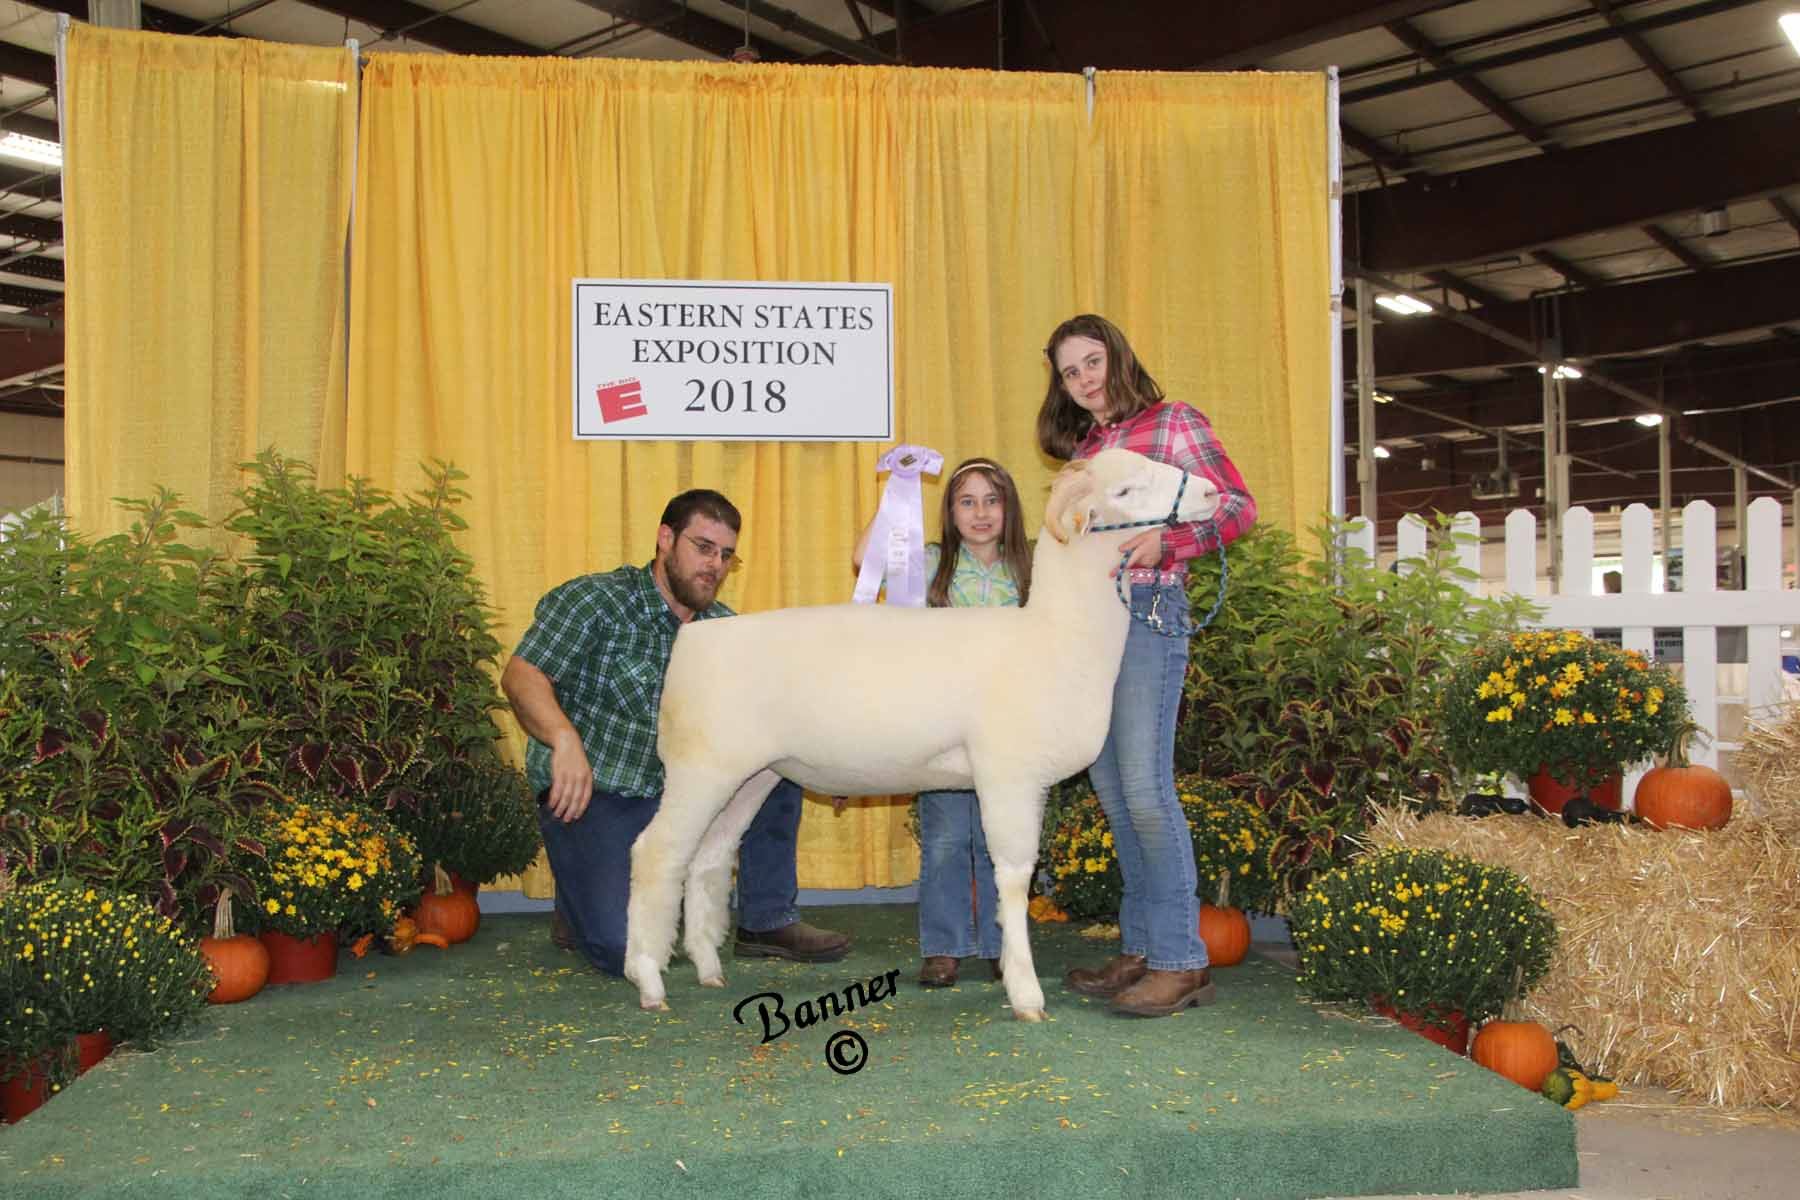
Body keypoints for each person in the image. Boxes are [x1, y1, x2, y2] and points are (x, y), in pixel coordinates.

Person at [500, 488, 851, 978]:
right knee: (621, 949)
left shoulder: (725, 631)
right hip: (598, 793)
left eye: (726, 555)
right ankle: (581, 899)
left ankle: (766, 919)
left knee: (779, 764)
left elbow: (776, 712)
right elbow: (523, 676)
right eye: (703, 547)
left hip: (681, 797)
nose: (715, 565)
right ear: (666, 539)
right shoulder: (596, 601)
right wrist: (563, 739)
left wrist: (831, 765)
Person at [1037, 313, 1257, 1017]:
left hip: (1151, 620)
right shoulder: (1092, 448)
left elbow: (1236, 506)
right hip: (1095, 633)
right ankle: (1139, 949)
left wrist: (1173, 542)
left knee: (1144, 789)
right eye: (1070, 372)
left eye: (1092, 361)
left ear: (1118, 357)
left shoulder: (1172, 423)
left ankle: (1181, 960)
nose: (1084, 379)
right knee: (1112, 788)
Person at [851, 457, 1033, 988]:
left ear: (1010, 509)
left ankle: (1005, 945)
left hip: (1008, 723)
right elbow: (864, 558)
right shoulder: (930, 563)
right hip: (944, 725)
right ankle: (946, 946)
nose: (980, 513)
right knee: (948, 836)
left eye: (992, 501)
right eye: (967, 502)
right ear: (949, 512)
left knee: (1006, 838)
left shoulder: (1031, 570)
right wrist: (894, 498)